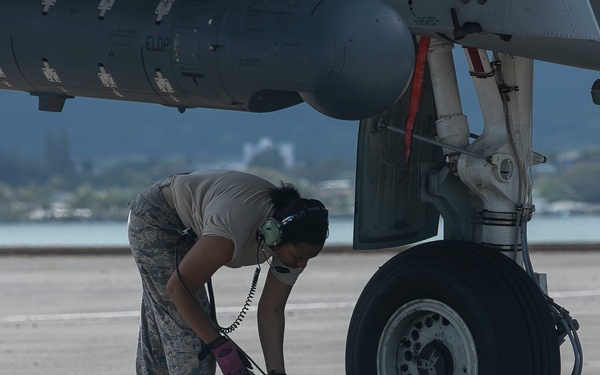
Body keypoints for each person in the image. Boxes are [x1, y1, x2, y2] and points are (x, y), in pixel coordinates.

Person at [127, 170, 329, 375]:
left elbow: (272, 310)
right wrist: (218, 346)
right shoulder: (235, 229)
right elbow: (178, 287)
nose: (302, 264)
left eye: (308, 258)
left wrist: (277, 372)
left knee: (167, 332)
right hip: (158, 216)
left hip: (191, 228)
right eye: (298, 256)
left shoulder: (286, 238)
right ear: (275, 235)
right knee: (196, 345)